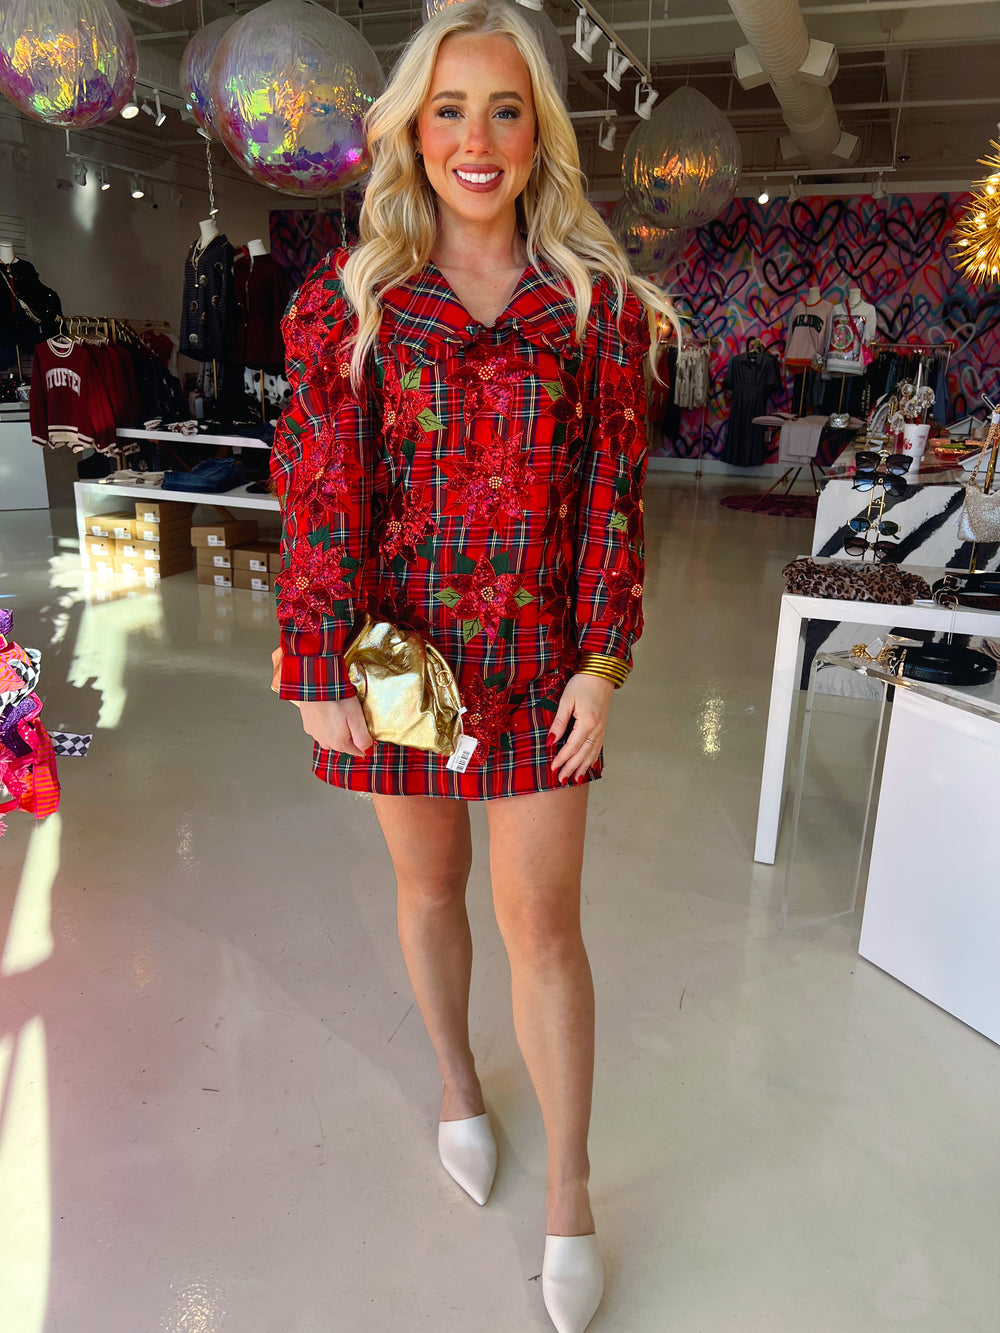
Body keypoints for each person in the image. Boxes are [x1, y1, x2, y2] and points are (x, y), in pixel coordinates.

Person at [270, 3, 677, 1329]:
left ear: (539, 132)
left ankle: (571, 1189)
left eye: (505, 109)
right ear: (414, 132)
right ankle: (456, 1078)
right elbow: (322, 491)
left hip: (543, 658)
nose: (476, 138)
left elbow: (614, 498)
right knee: (428, 883)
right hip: (399, 653)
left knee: (542, 922)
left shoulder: (594, 309)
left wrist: (603, 660)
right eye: (449, 110)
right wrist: (317, 661)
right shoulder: (351, 305)